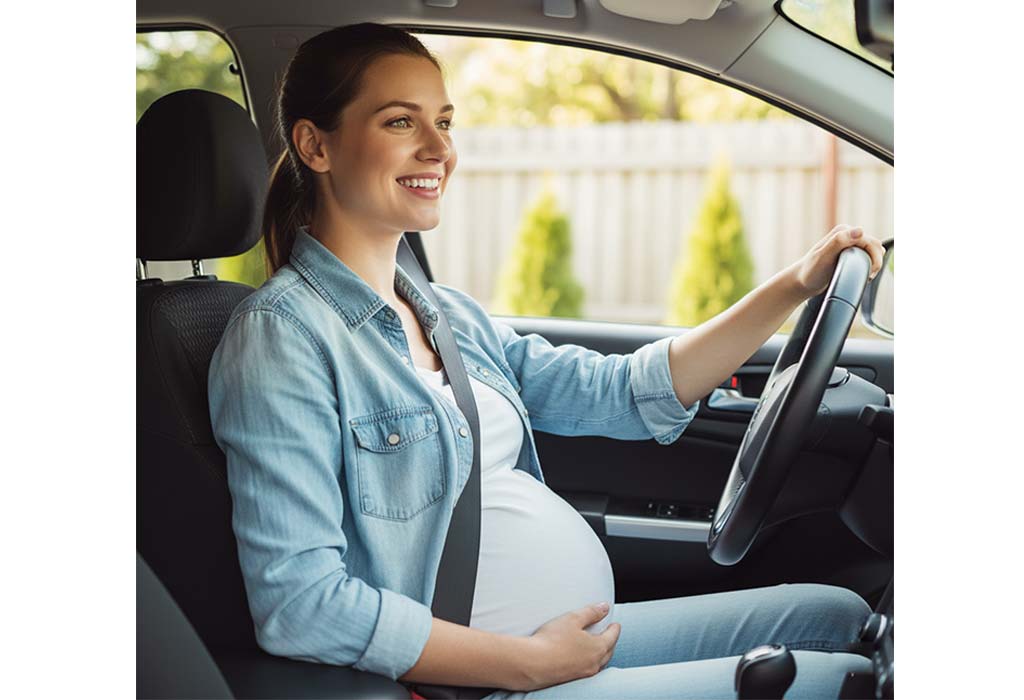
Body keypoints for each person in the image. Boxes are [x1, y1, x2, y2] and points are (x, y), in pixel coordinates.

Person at [208, 23, 886, 700]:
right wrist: (525, 665)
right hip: (477, 685)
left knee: (836, 616)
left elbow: (623, 391)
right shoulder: (281, 338)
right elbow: (302, 607)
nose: (439, 148)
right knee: (846, 684)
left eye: (444, 121)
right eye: (399, 121)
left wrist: (795, 284)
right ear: (315, 145)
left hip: (556, 654)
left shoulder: (450, 315)